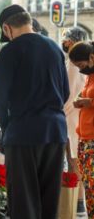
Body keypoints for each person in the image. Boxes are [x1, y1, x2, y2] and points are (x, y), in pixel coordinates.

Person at [0, 4, 69, 219]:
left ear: (7, 28)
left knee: (23, 200)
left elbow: (0, 97)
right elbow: (65, 92)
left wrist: (6, 126)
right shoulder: (54, 48)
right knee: (49, 198)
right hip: (55, 131)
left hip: (23, 133)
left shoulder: (10, 51)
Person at [61, 27, 88, 217]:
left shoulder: (72, 65)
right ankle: (78, 202)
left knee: (73, 161)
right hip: (76, 116)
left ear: (70, 41)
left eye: (64, 39)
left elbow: (67, 95)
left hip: (70, 118)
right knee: (75, 161)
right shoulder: (83, 63)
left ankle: (77, 202)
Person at [68, 41, 94, 218]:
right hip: (84, 136)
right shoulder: (89, 77)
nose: (80, 69)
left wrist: (90, 102)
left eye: (81, 65)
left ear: (92, 57)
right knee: (88, 184)